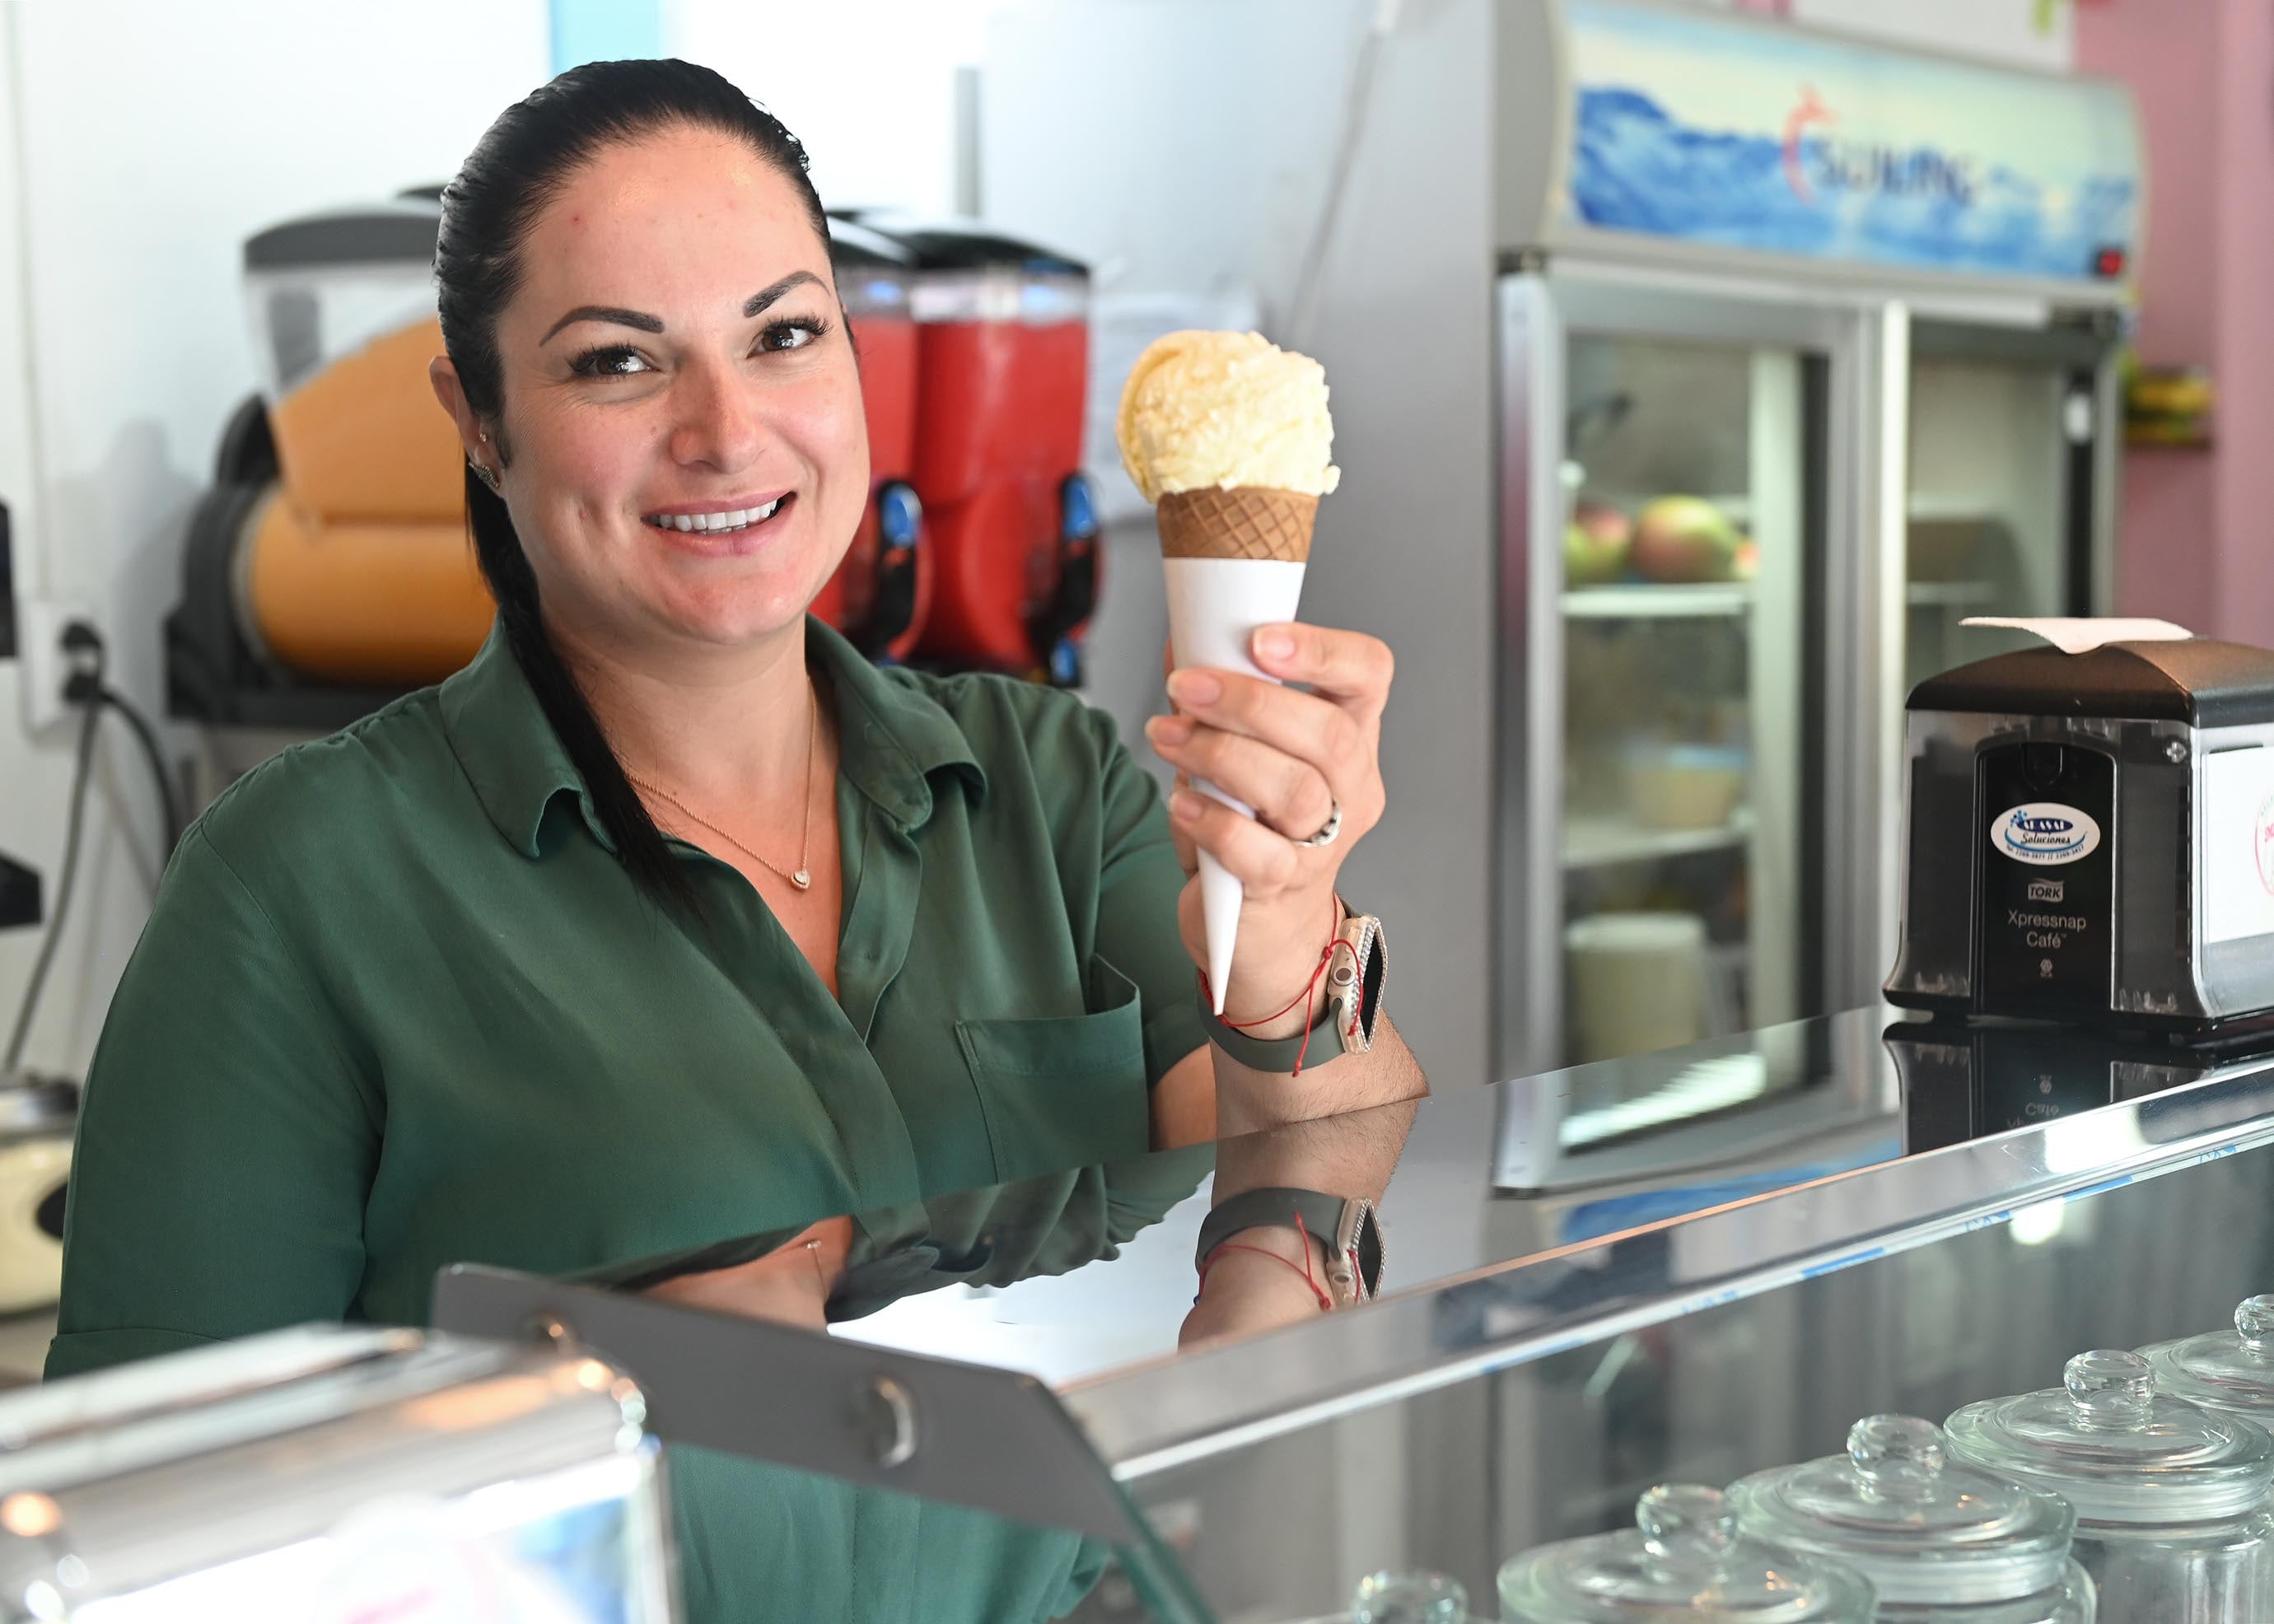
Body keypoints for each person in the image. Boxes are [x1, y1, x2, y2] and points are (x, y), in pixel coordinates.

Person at [47, 55, 1422, 1619]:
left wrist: (1293, 918)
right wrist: (603, 1376)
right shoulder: (295, 886)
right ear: (477, 421)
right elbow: (150, 1535)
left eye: (782, 335)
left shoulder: (1047, 780)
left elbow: (1316, 1183)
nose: (724, 430)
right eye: (618, 362)